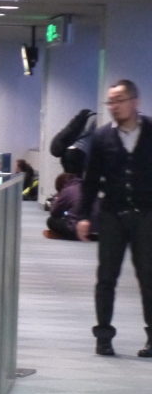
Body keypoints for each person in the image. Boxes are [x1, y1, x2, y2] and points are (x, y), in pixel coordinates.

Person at [77, 79, 152, 357]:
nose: (114, 107)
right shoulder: (101, 137)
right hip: (112, 215)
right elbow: (91, 180)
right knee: (106, 277)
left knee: (149, 278)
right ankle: (104, 337)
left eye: (119, 101)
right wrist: (83, 215)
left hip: (146, 214)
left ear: (135, 102)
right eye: (110, 102)